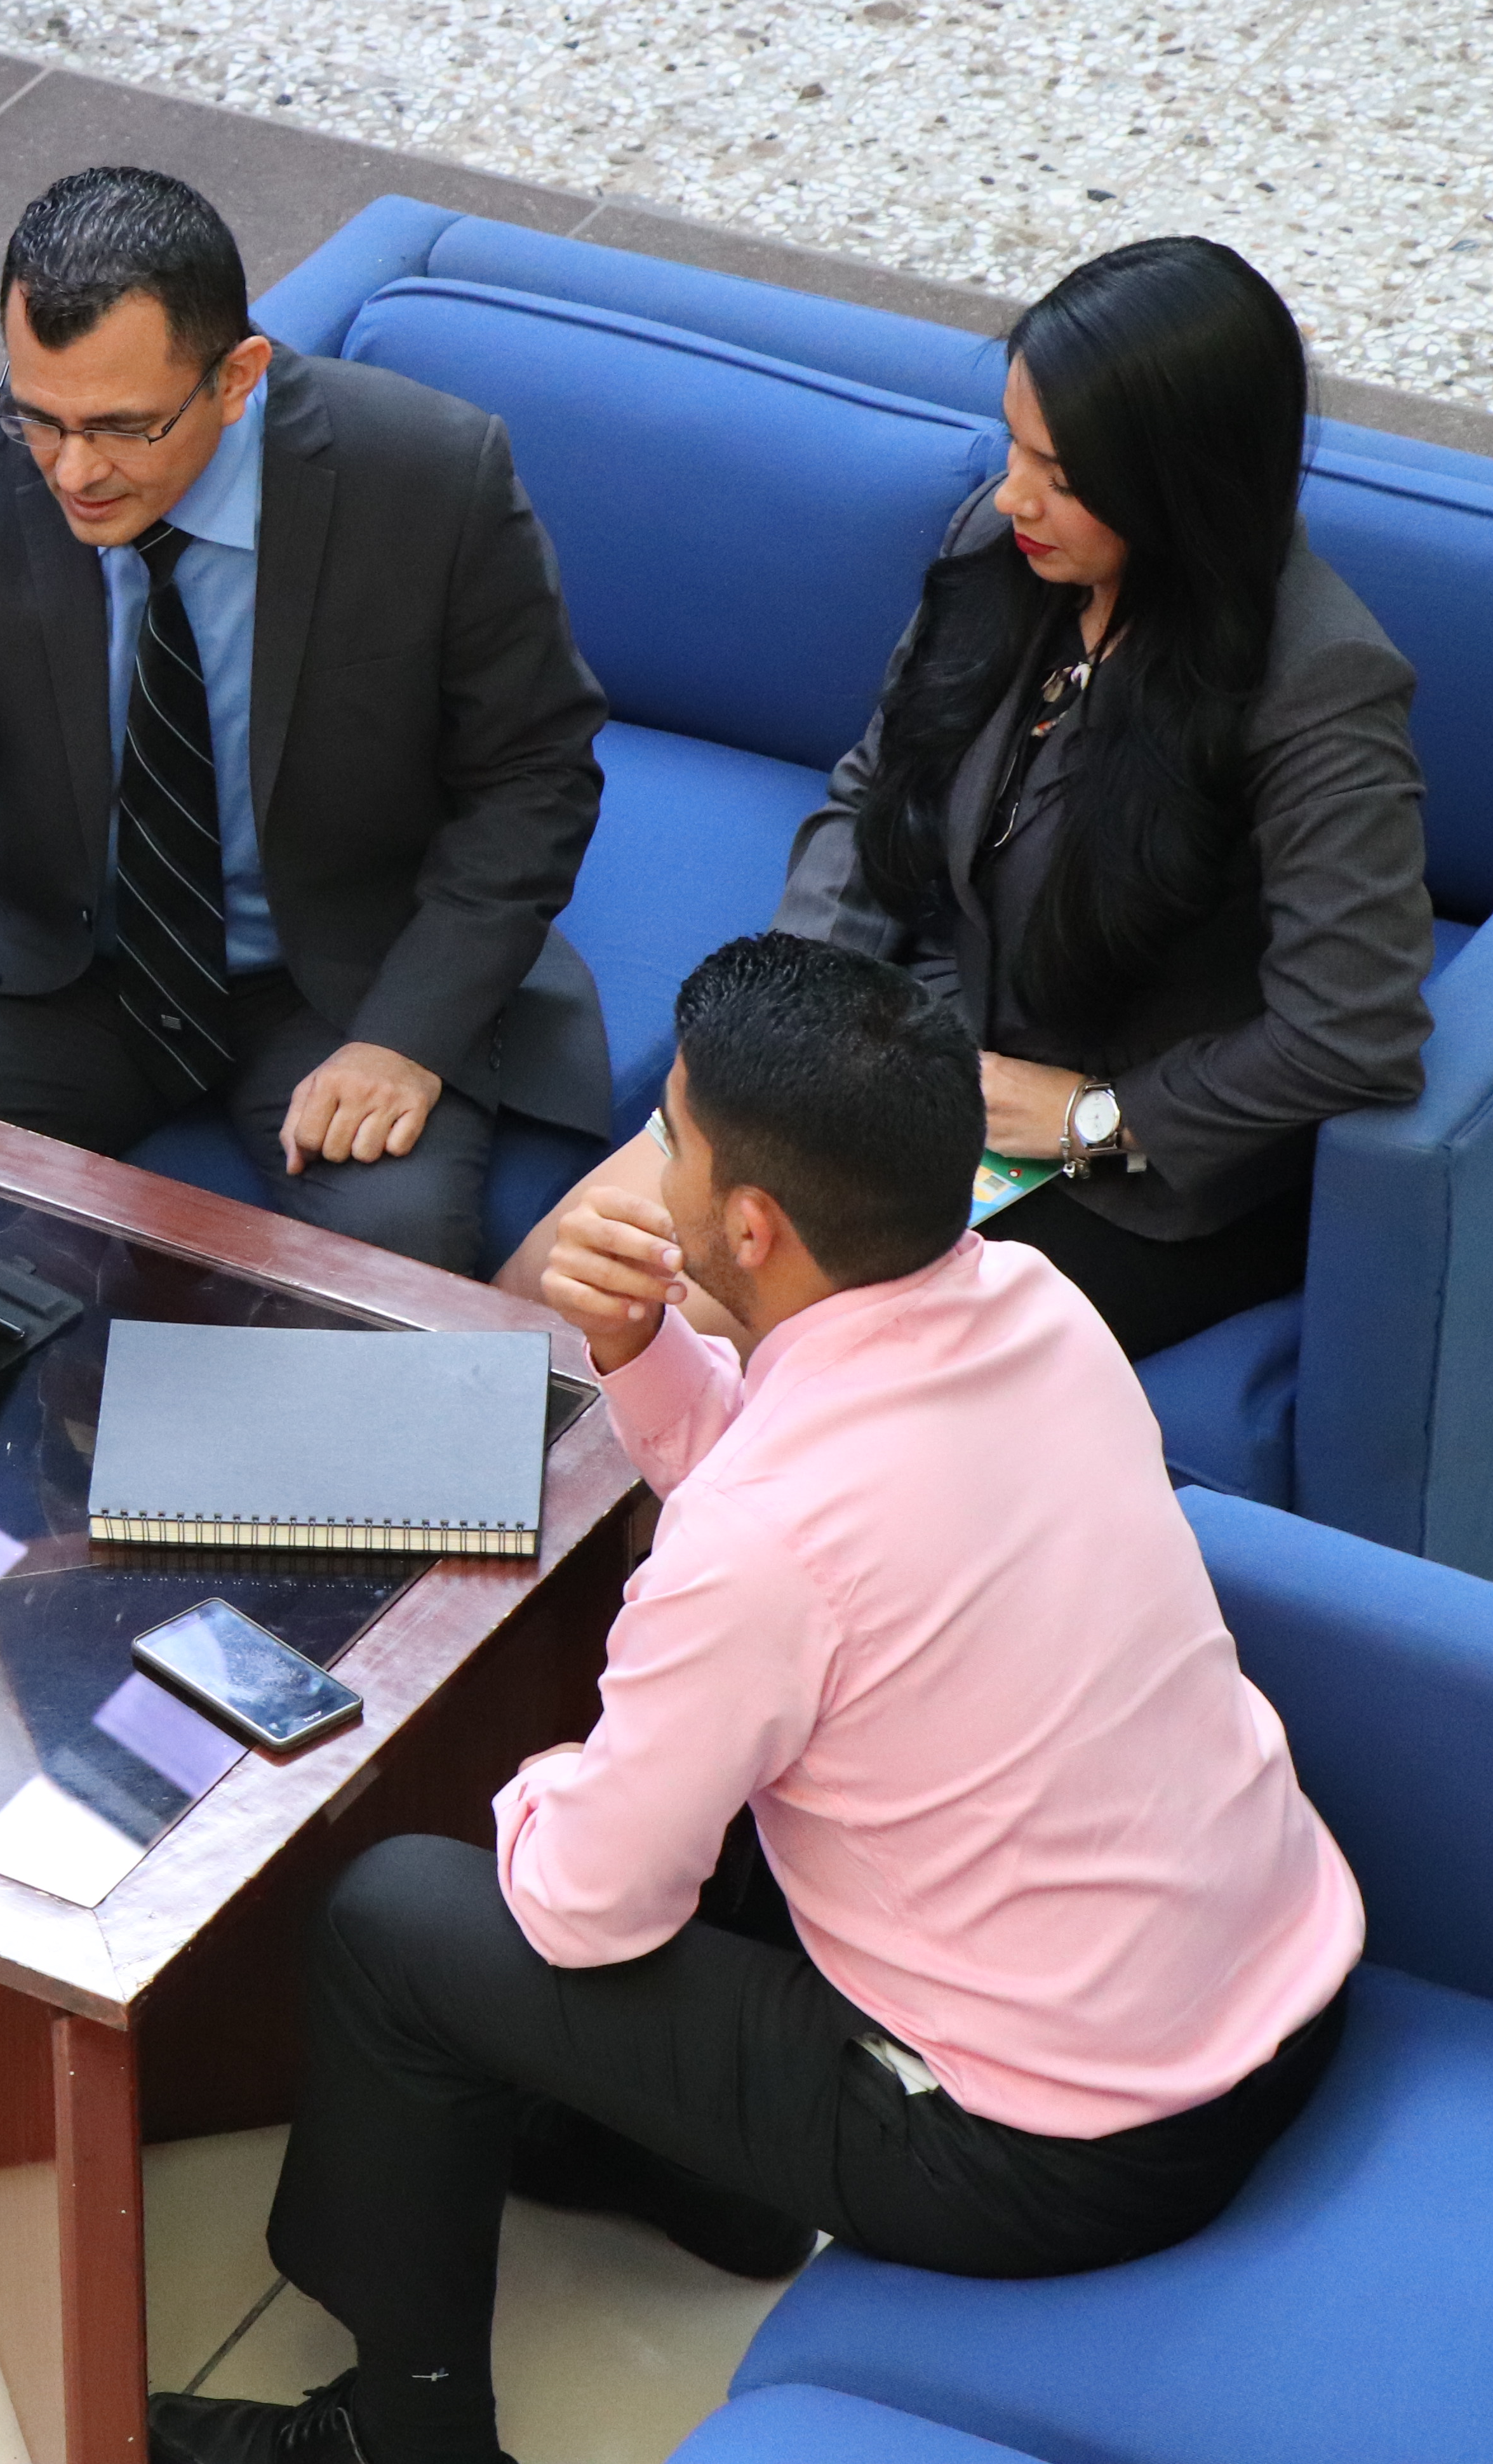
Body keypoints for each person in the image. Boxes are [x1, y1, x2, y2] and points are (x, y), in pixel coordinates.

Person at [152, 934, 1360, 2464]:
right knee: (749, 1780)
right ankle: (700, 2177)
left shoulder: (760, 1545)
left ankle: (403, 2433)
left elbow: (587, 1905)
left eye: (668, 1137)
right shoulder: (1037, 1302)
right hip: (1278, 1983)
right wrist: (642, 1347)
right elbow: (813, 1508)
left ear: (749, 1221)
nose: (643, 1170)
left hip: (1059, 2145)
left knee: (400, 1918)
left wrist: (543, 1782)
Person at [499, 237, 1431, 1358]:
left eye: (1066, 479)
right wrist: (793, 1025)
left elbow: (1354, 1031)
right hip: (919, 1051)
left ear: (1183, 488)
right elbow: (877, 791)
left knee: (675, 1335)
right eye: (1016, 444)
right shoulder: (1004, 547)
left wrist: (1095, 1116)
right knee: (554, 1281)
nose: (1015, 494)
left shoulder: (1320, 684)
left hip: (1122, 1171)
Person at [0, 166, 610, 1274]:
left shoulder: (430, 476)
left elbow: (536, 776)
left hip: (339, 980)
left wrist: (405, 1038)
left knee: (395, 1271)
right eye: (39, 418)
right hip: (59, 975)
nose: (74, 470)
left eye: (123, 428)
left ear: (237, 377)